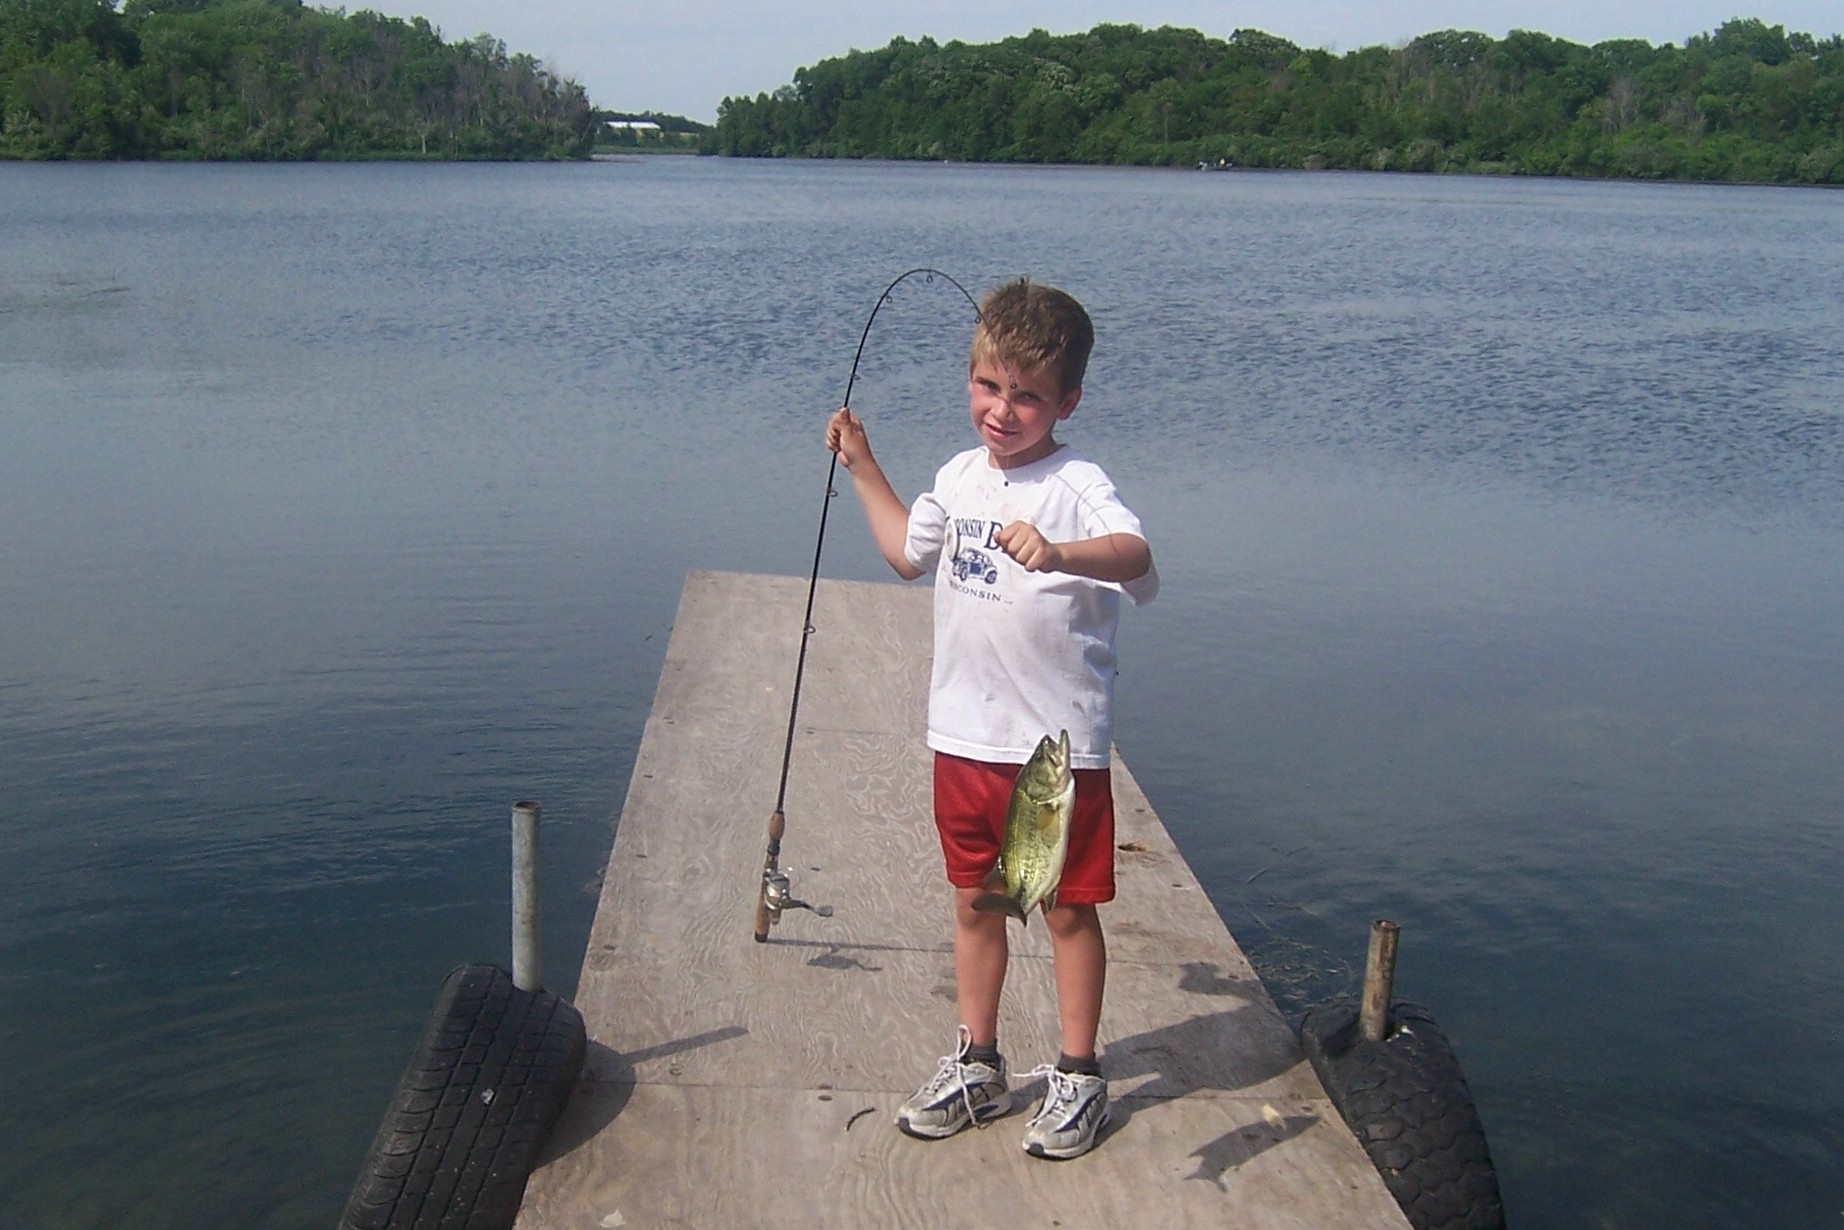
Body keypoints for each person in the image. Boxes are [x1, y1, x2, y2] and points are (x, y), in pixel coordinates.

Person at [824, 277, 1158, 1161]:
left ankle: (1079, 1074)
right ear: (969, 379)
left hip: (1053, 753)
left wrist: (1058, 552)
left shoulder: (1076, 484)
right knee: (976, 901)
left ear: (1067, 401)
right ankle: (979, 1061)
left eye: (1027, 395)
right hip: (963, 742)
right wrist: (863, 467)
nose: (1003, 411)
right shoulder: (958, 477)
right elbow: (906, 553)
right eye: (988, 386)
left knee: (1065, 911)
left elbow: (1136, 553)